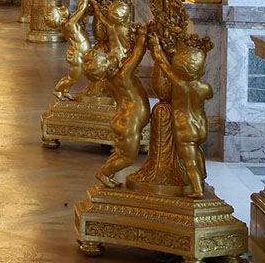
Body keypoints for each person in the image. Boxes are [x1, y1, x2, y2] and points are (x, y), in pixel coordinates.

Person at [149, 36, 213, 197]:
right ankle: (203, 174)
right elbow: (209, 96)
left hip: (185, 128)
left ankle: (197, 188)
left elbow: (163, 63)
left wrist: (156, 45)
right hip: (200, 127)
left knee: (189, 161)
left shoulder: (179, 84)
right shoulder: (205, 88)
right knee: (197, 150)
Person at [87, 25, 150, 188]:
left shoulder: (109, 80)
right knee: (128, 157)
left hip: (122, 118)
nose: (112, 57)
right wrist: (142, 37)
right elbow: (137, 55)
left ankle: (107, 174)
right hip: (129, 120)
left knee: (120, 153)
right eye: (107, 58)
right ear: (108, 67)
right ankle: (105, 172)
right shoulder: (123, 75)